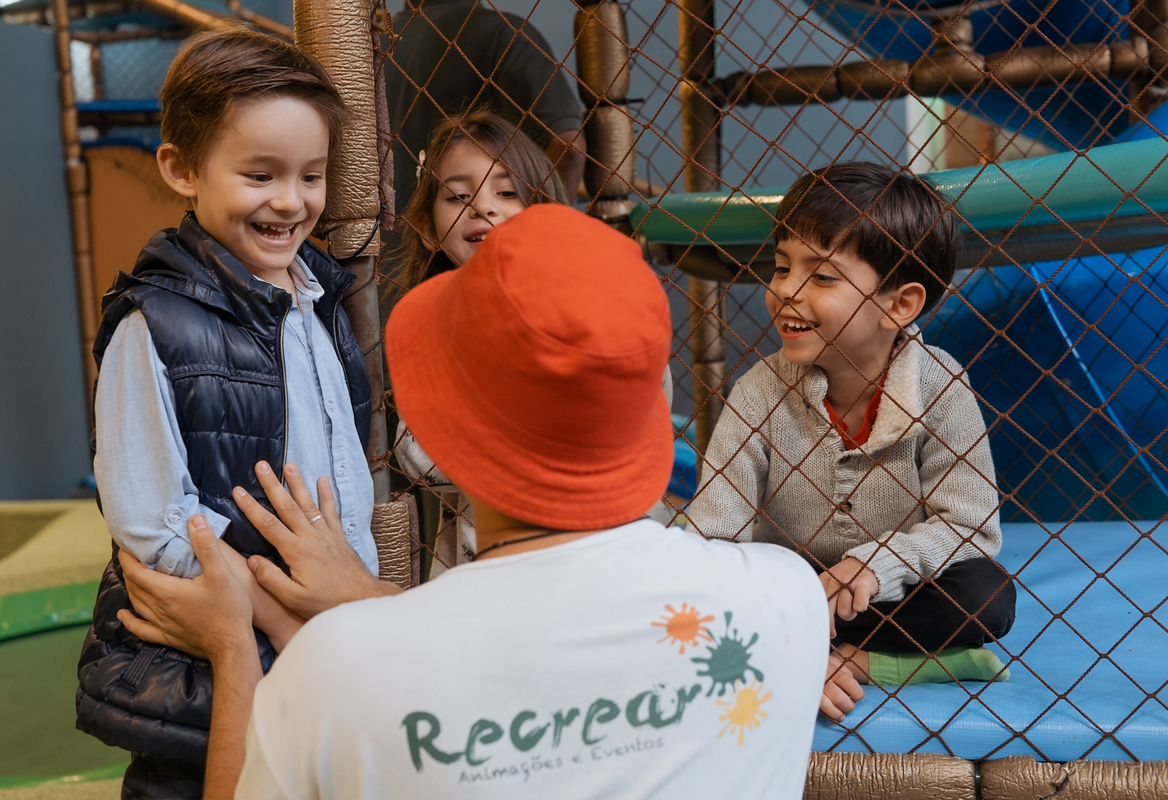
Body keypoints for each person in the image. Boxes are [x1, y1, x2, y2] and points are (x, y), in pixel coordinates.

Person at [117, 204, 830, 799]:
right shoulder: (784, 600)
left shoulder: (336, 672)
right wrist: (369, 604)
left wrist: (235, 646)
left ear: (443, 432)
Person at [76, 24, 380, 798]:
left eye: (311, 175)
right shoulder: (155, 324)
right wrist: (278, 599)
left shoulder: (319, 300)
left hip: (320, 641)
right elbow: (149, 523)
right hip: (209, 662)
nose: (291, 201)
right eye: (259, 174)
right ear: (182, 169)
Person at [685, 162, 1017, 722]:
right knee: (697, 585)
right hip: (789, 591)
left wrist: (878, 560)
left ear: (900, 305)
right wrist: (765, 609)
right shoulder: (758, 391)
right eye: (783, 265)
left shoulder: (942, 386)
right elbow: (717, 532)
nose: (785, 290)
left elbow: (971, 528)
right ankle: (806, 651)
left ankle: (854, 658)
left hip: (883, 596)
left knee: (986, 595)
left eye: (822, 277)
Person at [391, 111, 671, 575]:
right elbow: (418, 456)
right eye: (459, 196)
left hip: (615, 546)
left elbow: (643, 408)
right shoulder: (431, 329)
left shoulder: (597, 305)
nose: (483, 207)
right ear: (426, 228)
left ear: (545, 212)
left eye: (507, 192)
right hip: (483, 563)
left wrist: (486, 435)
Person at [383, 0, 586, 215]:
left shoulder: (372, 48)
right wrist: (544, 231)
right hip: (485, 243)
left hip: (377, 243)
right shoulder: (504, 34)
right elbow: (569, 148)